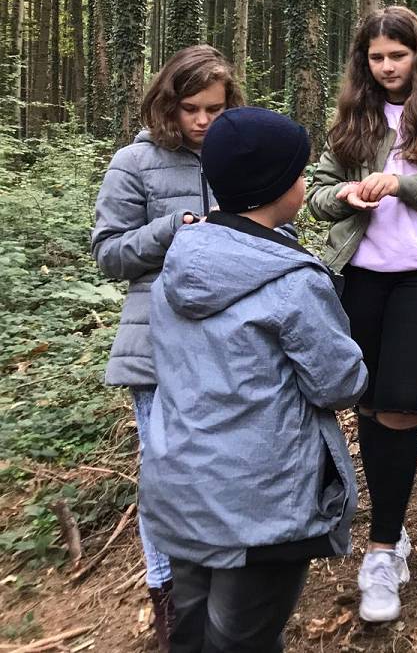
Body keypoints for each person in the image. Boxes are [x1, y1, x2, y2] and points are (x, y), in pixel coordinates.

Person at [139, 107, 367, 652]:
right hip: (262, 501)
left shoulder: (178, 263)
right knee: (241, 639)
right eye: (300, 171)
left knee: (191, 630)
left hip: (182, 487)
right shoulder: (291, 280)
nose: (306, 180)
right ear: (277, 188)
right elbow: (339, 382)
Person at [307, 5, 417, 622]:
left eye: (398, 55)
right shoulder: (353, 118)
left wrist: (402, 184)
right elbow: (315, 195)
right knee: (368, 402)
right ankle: (393, 518)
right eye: (377, 57)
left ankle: (382, 551)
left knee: (399, 403)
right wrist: (344, 193)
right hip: (357, 278)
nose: (387, 67)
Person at [91, 45, 244, 651]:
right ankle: (169, 596)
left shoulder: (237, 155)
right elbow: (109, 253)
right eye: (191, 108)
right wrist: (169, 230)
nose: (203, 120)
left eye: (215, 108)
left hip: (229, 340)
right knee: (162, 470)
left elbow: (274, 227)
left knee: (226, 462)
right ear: (167, 104)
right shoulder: (134, 161)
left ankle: (226, 586)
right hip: (156, 341)